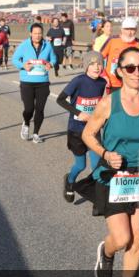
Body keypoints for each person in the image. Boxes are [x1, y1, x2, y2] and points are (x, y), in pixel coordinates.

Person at [77, 47, 139, 277]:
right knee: (122, 238)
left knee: (138, 236)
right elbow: (87, 134)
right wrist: (105, 154)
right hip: (113, 176)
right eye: (131, 68)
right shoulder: (108, 103)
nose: (137, 73)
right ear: (120, 71)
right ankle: (107, 253)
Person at [56, 52, 107, 202]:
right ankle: (70, 181)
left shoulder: (102, 82)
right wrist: (79, 113)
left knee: (97, 166)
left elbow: (100, 105)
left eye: (99, 64)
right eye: (92, 64)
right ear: (86, 66)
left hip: (93, 130)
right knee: (80, 165)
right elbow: (60, 100)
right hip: (76, 130)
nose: (96, 67)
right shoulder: (78, 81)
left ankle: (97, 198)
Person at [12, 23, 57, 143]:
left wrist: (51, 64)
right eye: (35, 33)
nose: (37, 35)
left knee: (40, 109)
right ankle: (26, 123)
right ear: (30, 34)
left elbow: (53, 58)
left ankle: (36, 133)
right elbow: (14, 59)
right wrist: (23, 65)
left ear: (42, 34)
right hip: (27, 82)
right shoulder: (24, 45)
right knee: (29, 109)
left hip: (43, 82)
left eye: (39, 33)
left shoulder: (48, 45)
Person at [100, 16, 139, 91]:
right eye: (126, 29)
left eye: (132, 29)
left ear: (136, 30)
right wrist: (103, 75)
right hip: (112, 83)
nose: (129, 33)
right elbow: (99, 57)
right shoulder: (113, 40)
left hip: (131, 84)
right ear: (121, 29)